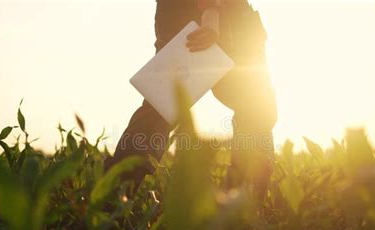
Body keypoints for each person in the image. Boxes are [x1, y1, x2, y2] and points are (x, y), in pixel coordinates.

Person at [105, 0, 277, 199]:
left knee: (257, 109)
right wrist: (211, 10)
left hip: (227, 16)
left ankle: (240, 208)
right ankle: (109, 202)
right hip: (207, 14)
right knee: (162, 109)